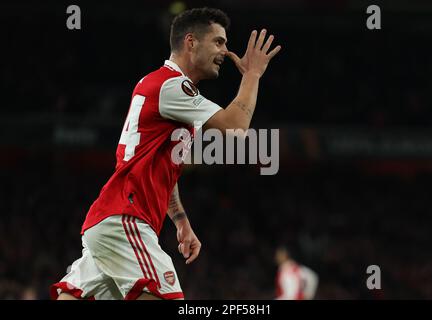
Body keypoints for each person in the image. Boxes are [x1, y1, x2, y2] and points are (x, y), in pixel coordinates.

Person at [51, 7, 281, 300]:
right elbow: (236, 128)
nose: (225, 50)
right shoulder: (172, 85)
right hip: (126, 218)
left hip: (107, 222)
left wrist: (181, 221)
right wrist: (252, 74)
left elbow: (163, 169)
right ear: (191, 42)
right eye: (219, 42)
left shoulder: (160, 86)